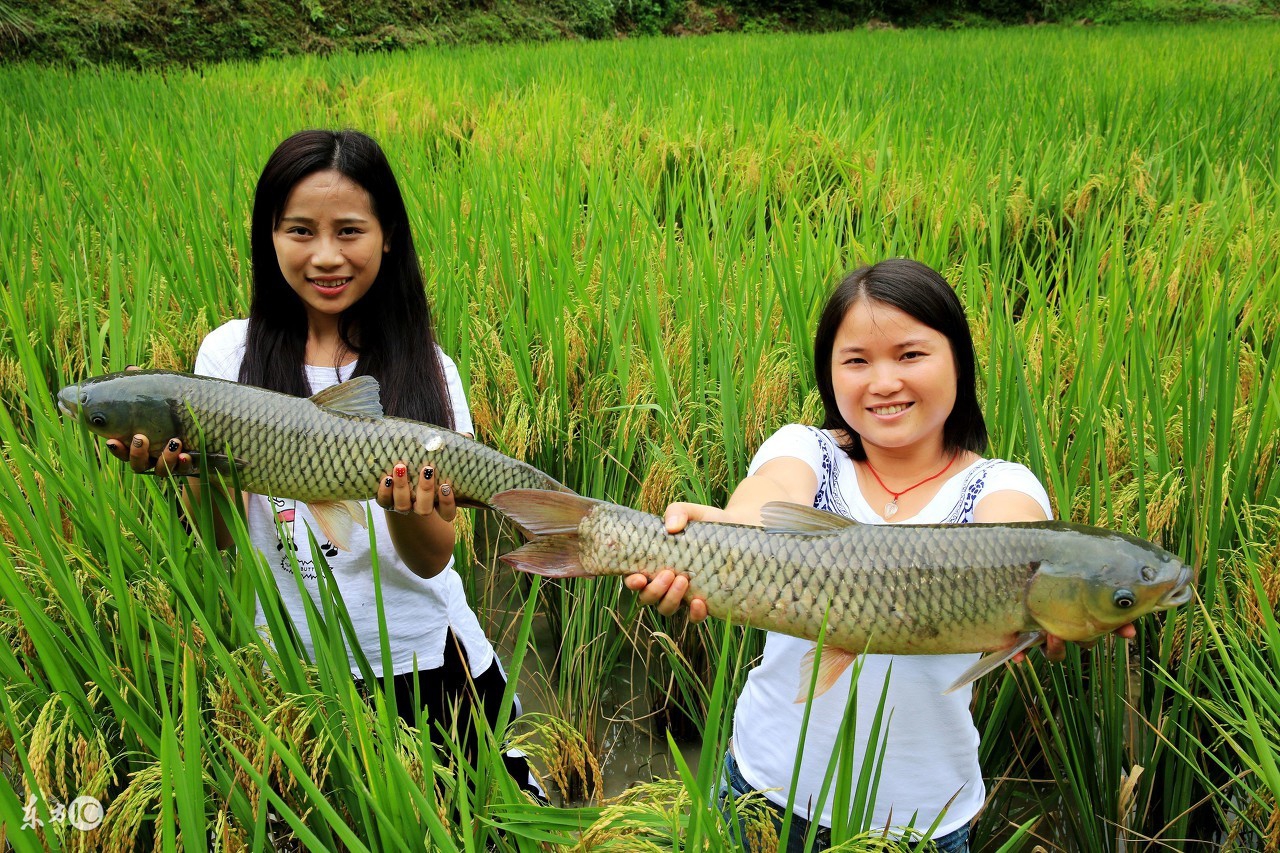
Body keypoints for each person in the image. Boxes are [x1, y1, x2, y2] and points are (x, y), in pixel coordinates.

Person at [625, 259, 1135, 852]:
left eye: (911, 355)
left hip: (920, 825)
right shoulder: (806, 451)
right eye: (857, 361)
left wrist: (1058, 613)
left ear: (959, 362)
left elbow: (1015, 541)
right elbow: (759, 505)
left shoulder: (1001, 489)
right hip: (762, 793)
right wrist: (714, 537)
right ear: (829, 374)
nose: (884, 382)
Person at [106, 129, 530, 783]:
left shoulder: (429, 369)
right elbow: (222, 537)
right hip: (296, 669)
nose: (325, 256)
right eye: (300, 231)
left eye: (349, 231)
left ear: (388, 235)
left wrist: (407, 508)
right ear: (268, 236)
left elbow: (432, 556)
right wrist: (191, 470)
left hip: (430, 661)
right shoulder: (227, 359)